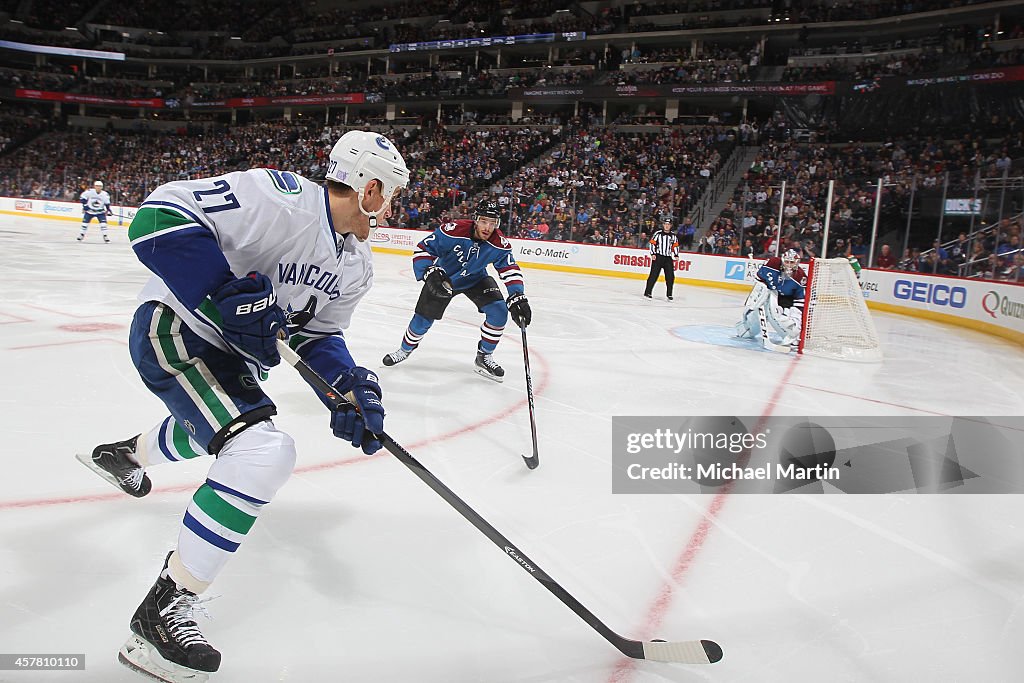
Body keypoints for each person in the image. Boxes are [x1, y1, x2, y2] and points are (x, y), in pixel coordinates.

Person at [74, 130, 409, 683]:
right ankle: (161, 613)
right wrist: (222, 290)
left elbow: (317, 335)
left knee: (217, 427)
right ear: (370, 188)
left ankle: (125, 455)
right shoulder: (280, 198)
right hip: (178, 327)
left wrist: (346, 386)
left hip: (233, 357)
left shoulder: (357, 265)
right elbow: (156, 218)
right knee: (260, 450)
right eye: (391, 191)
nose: (391, 205)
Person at [381, 199, 531, 382]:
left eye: (493, 223)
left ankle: (483, 356)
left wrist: (517, 295)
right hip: (444, 279)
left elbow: (509, 269)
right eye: (484, 221)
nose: (488, 227)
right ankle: (404, 350)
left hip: (476, 278)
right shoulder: (452, 231)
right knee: (422, 320)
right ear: (476, 220)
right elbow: (423, 249)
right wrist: (429, 271)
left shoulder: (499, 243)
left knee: (499, 312)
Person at [735, 248, 807, 350]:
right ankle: (746, 326)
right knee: (745, 333)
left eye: (792, 262)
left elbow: (800, 301)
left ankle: (791, 335)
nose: (789, 265)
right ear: (782, 260)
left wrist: (795, 318)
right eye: (787, 262)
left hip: (784, 301)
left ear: (797, 263)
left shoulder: (800, 277)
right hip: (767, 294)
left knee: (782, 319)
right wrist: (759, 295)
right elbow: (759, 279)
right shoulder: (772, 263)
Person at [643, 219, 679, 300]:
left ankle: (669, 294)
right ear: (663, 225)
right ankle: (647, 292)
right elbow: (652, 243)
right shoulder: (658, 233)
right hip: (658, 257)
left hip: (668, 258)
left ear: (671, 226)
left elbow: (675, 245)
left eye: (668, 224)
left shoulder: (673, 235)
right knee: (653, 275)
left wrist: (676, 254)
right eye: (665, 224)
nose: (667, 226)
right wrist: (653, 253)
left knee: (670, 277)